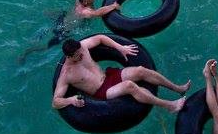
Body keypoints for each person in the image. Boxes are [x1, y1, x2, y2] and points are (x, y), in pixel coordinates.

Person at [51, 35, 189, 112]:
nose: (82, 54)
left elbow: (100, 38)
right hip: (102, 91)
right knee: (129, 85)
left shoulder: (81, 47)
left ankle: (178, 88)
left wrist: (120, 47)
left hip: (109, 75)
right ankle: (169, 105)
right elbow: (55, 102)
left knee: (140, 70)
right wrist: (70, 100)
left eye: (81, 51)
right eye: (77, 55)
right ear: (69, 56)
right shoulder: (67, 74)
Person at [18, 0, 124, 63]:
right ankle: (26, 52)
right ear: (85, 2)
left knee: (50, 23)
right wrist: (113, 6)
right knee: (46, 45)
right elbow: (98, 13)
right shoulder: (84, 12)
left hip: (63, 17)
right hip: (64, 31)